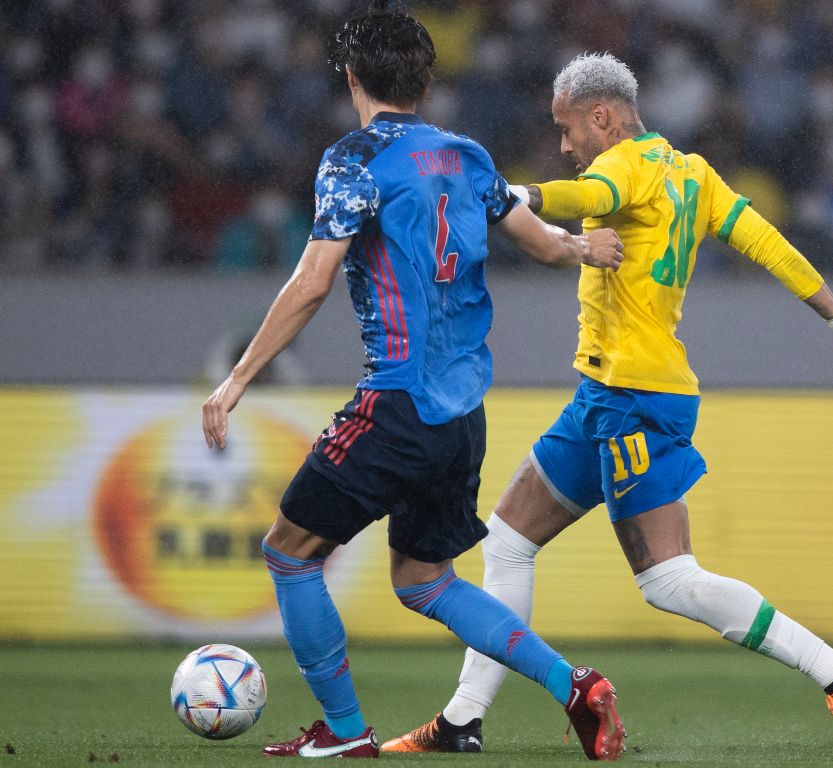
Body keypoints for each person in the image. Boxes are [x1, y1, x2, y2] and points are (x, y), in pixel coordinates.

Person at [384, 53, 833, 763]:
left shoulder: (624, 165)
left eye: (568, 129)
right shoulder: (694, 173)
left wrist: (499, 190)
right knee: (506, 538)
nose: (565, 144)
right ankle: (463, 720)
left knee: (667, 579)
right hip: (606, 396)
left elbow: (571, 194)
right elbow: (772, 247)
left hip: (634, 399)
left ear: (603, 117)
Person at [200, 2, 628, 760]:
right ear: (426, 81)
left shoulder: (354, 158)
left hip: (396, 400)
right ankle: (575, 685)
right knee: (425, 578)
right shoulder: (466, 156)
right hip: (462, 414)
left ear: (353, 75)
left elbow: (310, 282)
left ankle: (342, 729)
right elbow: (540, 243)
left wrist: (236, 379)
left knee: (289, 551)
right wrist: (584, 248)